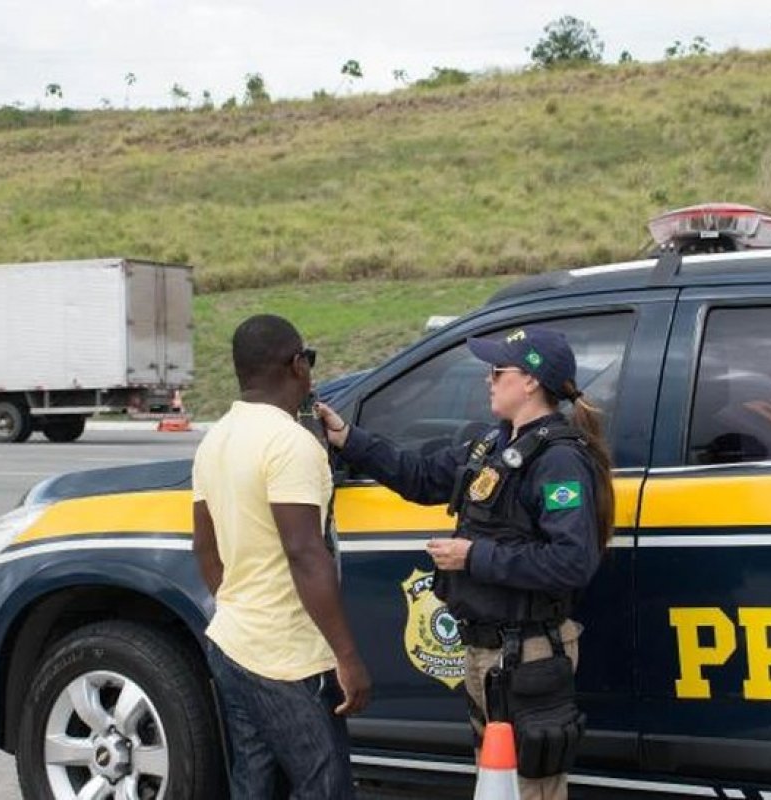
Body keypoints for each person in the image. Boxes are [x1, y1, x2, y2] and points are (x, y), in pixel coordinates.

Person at [316, 326, 614, 800]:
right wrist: (349, 438)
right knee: (496, 783)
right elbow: (420, 477)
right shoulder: (492, 446)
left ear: (530, 381)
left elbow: (572, 562)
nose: (487, 380)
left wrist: (473, 555)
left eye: (497, 371)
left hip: (528, 654)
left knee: (531, 788)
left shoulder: (559, 460)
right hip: (487, 652)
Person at [192, 313, 371, 800]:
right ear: (297, 365)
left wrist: (241, 609)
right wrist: (347, 657)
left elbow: (204, 548)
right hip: (287, 660)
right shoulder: (290, 444)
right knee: (325, 786)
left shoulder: (216, 440)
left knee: (257, 785)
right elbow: (305, 554)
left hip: (231, 643)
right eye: (308, 359)